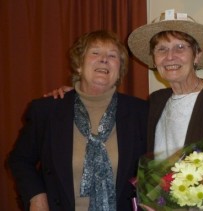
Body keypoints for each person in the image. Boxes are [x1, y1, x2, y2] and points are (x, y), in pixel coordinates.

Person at [8, 30, 148, 211]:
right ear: (79, 65)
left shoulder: (141, 112)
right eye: (95, 53)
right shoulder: (47, 110)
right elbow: (20, 159)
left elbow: (155, 168)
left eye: (112, 55)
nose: (104, 59)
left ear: (119, 70)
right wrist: (36, 196)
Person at [127, 9, 203, 160]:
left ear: (197, 55)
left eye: (180, 47)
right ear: (154, 60)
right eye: (162, 49)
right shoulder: (156, 101)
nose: (170, 56)